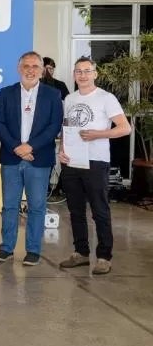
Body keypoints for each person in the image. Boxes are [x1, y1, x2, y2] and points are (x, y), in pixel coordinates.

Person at [58, 57, 130, 276]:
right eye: (78, 71)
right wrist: (62, 149)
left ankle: (104, 257)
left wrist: (98, 134)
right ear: (74, 75)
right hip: (72, 162)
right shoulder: (69, 99)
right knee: (75, 210)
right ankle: (80, 252)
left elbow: (124, 128)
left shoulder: (106, 98)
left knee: (100, 210)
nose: (82, 75)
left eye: (87, 71)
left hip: (96, 161)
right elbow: (66, 127)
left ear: (95, 74)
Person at [0, 51, 63, 267]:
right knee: (9, 206)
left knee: (37, 206)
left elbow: (54, 126)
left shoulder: (53, 95)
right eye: (26, 66)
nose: (30, 70)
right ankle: (6, 248)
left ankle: (33, 250)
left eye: (35, 66)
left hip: (38, 159)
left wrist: (30, 146)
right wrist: (17, 147)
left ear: (42, 70)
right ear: (18, 68)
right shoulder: (6, 93)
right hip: (12, 159)